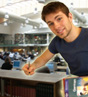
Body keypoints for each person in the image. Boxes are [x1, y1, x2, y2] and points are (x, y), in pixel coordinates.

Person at [22, 1, 88, 76]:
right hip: (77, 83)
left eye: (59, 19)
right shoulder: (57, 42)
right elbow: (43, 59)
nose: (56, 26)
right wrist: (32, 66)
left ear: (70, 17)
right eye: (51, 24)